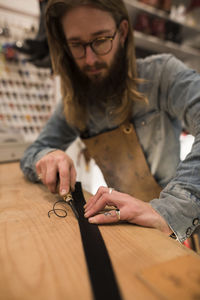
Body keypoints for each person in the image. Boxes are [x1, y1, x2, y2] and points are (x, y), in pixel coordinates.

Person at [20, 0, 200, 243]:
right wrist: (47, 155)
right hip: (128, 231)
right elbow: (33, 152)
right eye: (76, 45)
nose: (90, 59)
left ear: (123, 32)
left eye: (101, 40)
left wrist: (170, 211)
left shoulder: (162, 75)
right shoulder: (75, 102)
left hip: (180, 231)